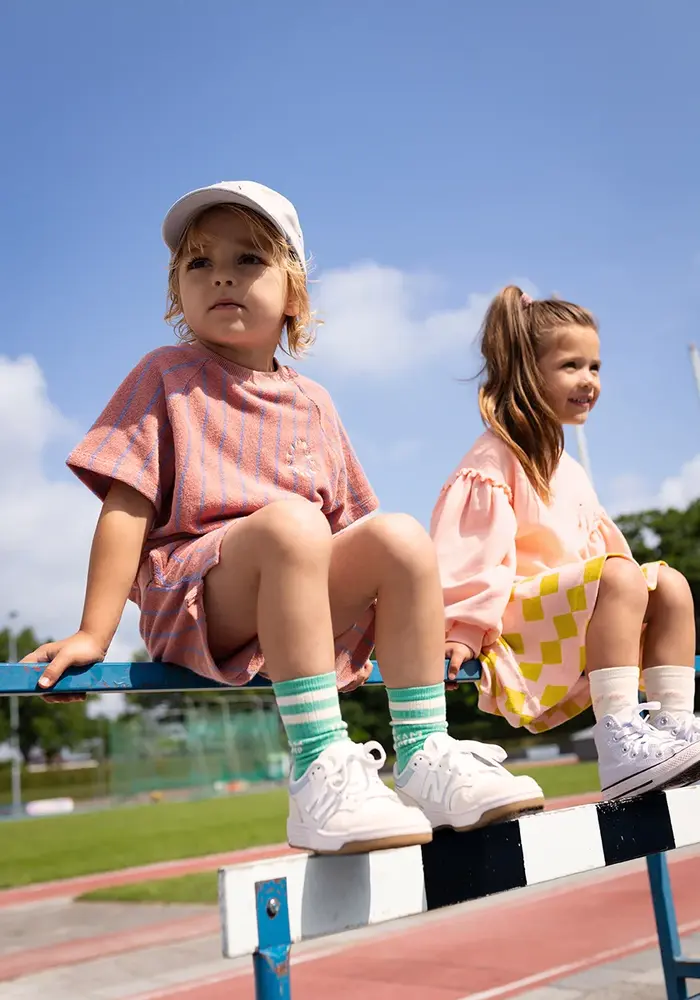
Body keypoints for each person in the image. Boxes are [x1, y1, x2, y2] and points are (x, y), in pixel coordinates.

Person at [21, 185, 544, 853]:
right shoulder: (164, 375)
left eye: (249, 260)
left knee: (402, 534)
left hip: (298, 598)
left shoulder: (314, 402)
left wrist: (438, 636)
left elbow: (364, 537)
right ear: (177, 292)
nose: (223, 276)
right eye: (200, 263)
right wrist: (95, 631)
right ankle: (320, 765)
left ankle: (424, 751)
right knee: (294, 523)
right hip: (197, 596)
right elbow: (127, 504)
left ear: (294, 293)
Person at [430, 286, 700, 802]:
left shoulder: (567, 467)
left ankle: (672, 726)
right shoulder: (495, 458)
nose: (589, 381)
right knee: (621, 573)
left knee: (671, 582)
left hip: (571, 611)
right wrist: (461, 628)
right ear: (527, 372)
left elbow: (602, 549)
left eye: (595, 367)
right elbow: (469, 552)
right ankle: (618, 737)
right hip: (516, 619)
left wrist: (633, 598)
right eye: (572, 365)